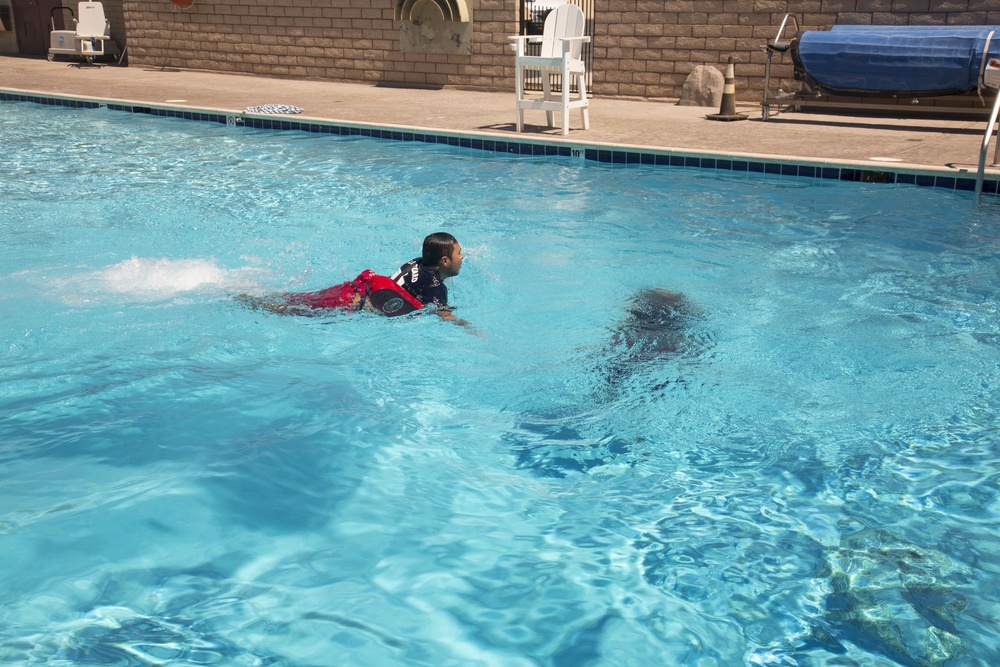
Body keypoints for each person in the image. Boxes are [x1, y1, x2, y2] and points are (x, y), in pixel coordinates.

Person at [391, 232, 467, 323]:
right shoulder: (436, 288)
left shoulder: (418, 261)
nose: (462, 256)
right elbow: (446, 316)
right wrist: (468, 327)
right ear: (445, 261)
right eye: (458, 253)